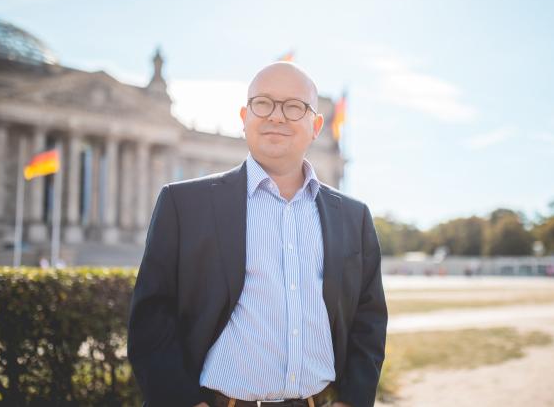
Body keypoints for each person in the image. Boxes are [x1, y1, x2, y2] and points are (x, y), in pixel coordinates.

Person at [128, 62, 387, 407]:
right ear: (244, 116)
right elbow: (151, 317)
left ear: (316, 126)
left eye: (294, 107)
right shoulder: (183, 204)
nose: (276, 116)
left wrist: (353, 401)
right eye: (263, 103)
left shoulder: (354, 216)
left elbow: (368, 321)